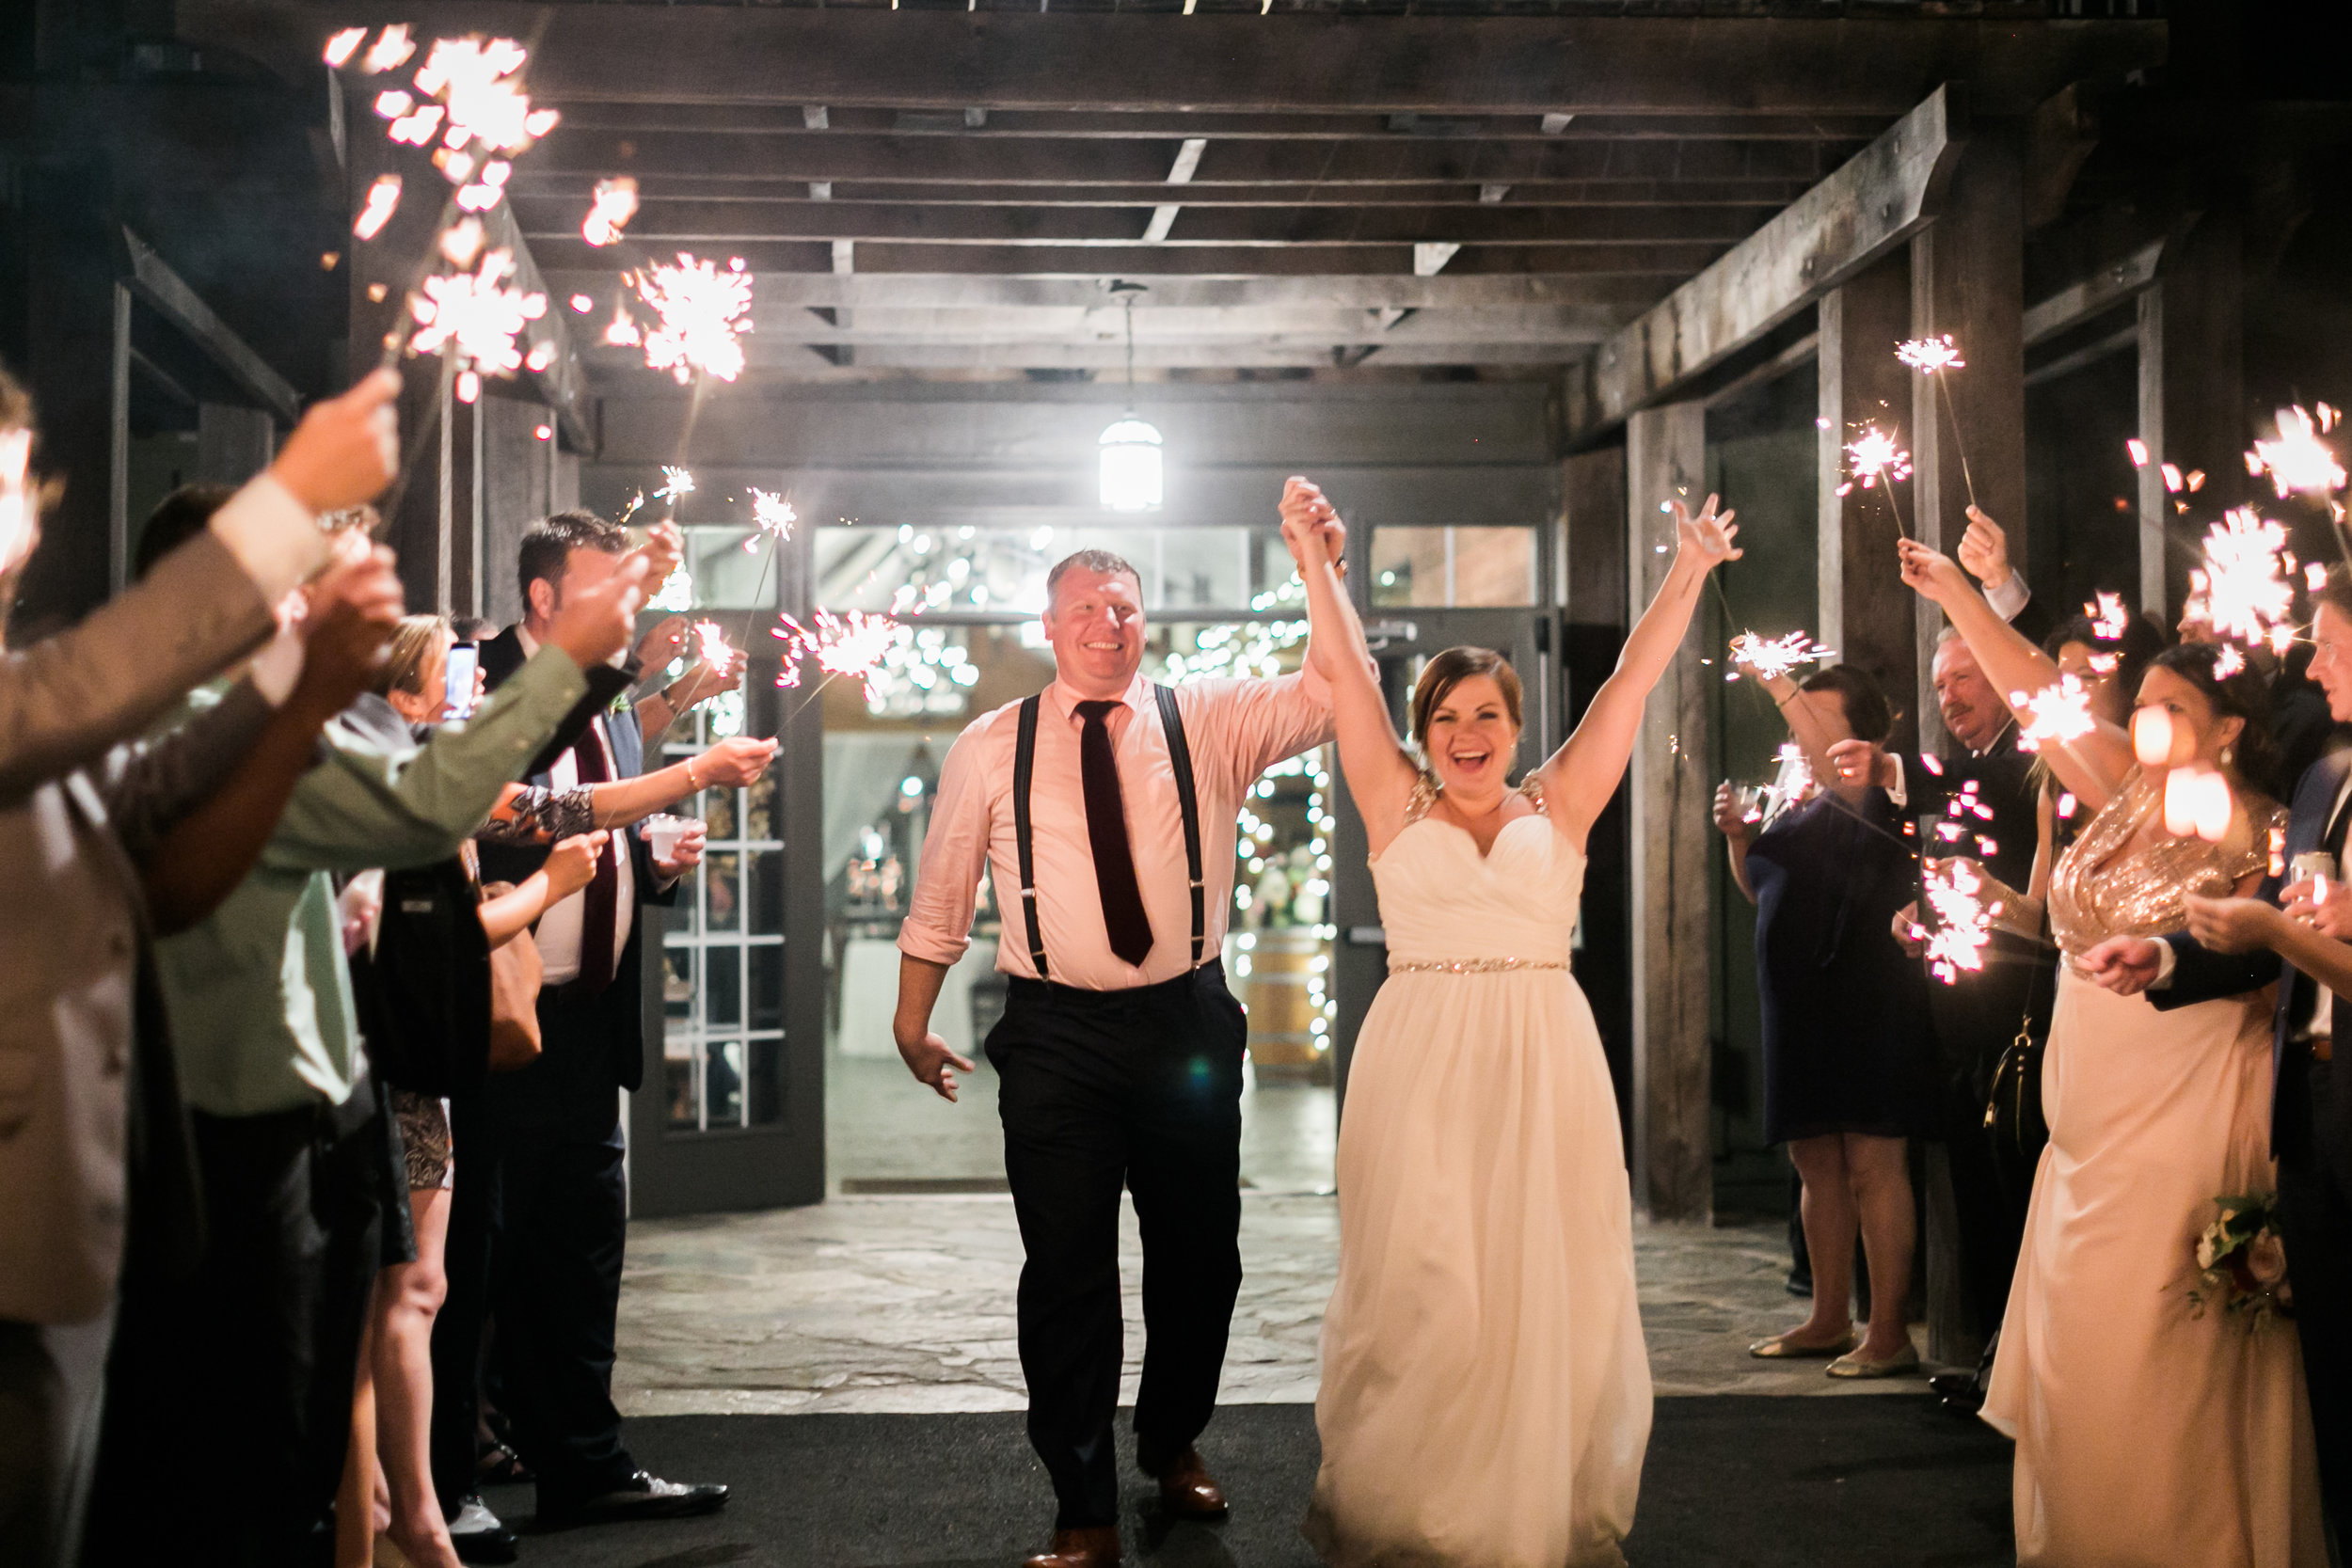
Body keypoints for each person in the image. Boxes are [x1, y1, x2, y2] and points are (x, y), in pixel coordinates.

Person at [81, 494, 653, 1567]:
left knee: (295, 1414)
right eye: (306, 578)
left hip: (315, 1096)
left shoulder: (253, 714)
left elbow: (420, 802)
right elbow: (434, 801)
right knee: (234, 1446)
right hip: (227, 1124)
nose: (330, 600)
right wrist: (571, 658)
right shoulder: (219, 725)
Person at [1291, 476, 1737, 1568]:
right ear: (1424, 732)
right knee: (1428, 1278)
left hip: (1545, 1056)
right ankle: (1413, 1501)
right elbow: (1345, 670)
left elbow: (1634, 678)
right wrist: (1313, 557)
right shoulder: (1390, 798)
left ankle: (1529, 1499)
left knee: (1545, 1277)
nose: (1464, 731)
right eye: (1444, 716)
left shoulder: (1561, 800)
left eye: (1485, 712)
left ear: (1516, 722)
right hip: (1422, 1055)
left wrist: (1690, 568)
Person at [0, 366, 404, 1568]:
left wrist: (301, 675)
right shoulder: (42, 694)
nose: (24, 513)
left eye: (19, 482)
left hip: (66, 1205)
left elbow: (150, 788)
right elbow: (72, 699)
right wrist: (284, 507)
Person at [892, 533, 1353, 1568]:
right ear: (1049, 628)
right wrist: (911, 1017)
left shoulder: (1210, 718)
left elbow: (1333, 690)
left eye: (1125, 608)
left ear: (1146, 622)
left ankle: (1170, 1434)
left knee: (1201, 1257)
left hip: (1184, 1021)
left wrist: (1318, 566)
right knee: (1065, 1270)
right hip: (1054, 1033)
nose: (1108, 624)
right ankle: (1082, 1499)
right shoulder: (988, 744)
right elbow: (943, 887)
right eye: (1087, 609)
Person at [1899, 535, 2327, 1565]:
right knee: (2077, 1373)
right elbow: (2037, 691)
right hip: (2081, 1141)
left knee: (2150, 1365)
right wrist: (1958, 593)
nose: (2145, 721)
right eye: (2142, 702)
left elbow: (2266, 960)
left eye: (2172, 708)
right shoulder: (2121, 785)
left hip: (2178, 1136)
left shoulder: (2251, 829)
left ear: (2228, 729)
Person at [433, 512, 769, 1551]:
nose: (630, 607)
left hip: (590, 1015)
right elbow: (534, 807)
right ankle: (447, 1477)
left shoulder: (611, 697)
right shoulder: (477, 681)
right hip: (499, 1012)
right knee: (473, 1261)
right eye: (608, 587)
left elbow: (609, 827)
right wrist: (691, 769)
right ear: (543, 598)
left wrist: (653, 867)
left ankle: (583, 1460)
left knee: (577, 1252)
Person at [2083, 577, 2352, 1554]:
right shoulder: (2326, 782)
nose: (2311, 663)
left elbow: (2282, 925)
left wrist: (2277, 924)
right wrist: (2164, 954)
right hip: (2311, 1107)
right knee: (2334, 1381)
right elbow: (2264, 937)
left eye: (2328, 644)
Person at [349, 615, 614, 1568]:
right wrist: (548, 885)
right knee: (413, 1290)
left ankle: (395, 1506)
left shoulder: (430, 771)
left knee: (416, 1288)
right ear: (409, 688)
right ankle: (419, 1510)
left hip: (420, 1066)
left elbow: (572, 803)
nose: (470, 691)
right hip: (396, 1064)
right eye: (453, 677)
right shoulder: (407, 778)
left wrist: (701, 774)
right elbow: (451, 936)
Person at [1715, 662, 1932, 1378]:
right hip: (1794, 996)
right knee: (1813, 1157)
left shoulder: (1869, 789)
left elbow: (1854, 793)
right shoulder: (1794, 792)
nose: (1799, 732)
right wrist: (1740, 837)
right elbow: (1761, 890)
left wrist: (1775, 679)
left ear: (1861, 736)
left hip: (1865, 987)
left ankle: (1889, 1328)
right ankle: (1829, 1314)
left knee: (1872, 1158)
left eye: (1818, 719)